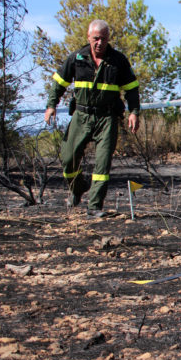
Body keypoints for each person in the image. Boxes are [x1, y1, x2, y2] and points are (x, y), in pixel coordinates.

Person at [44, 20, 140, 217]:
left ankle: (94, 207)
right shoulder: (76, 58)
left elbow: (132, 89)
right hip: (81, 116)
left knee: (102, 164)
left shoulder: (118, 61)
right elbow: (59, 83)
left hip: (107, 118)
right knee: (68, 159)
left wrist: (134, 112)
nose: (99, 43)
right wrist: (51, 105)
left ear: (108, 39)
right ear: (89, 37)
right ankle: (77, 188)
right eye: (96, 38)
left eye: (103, 39)